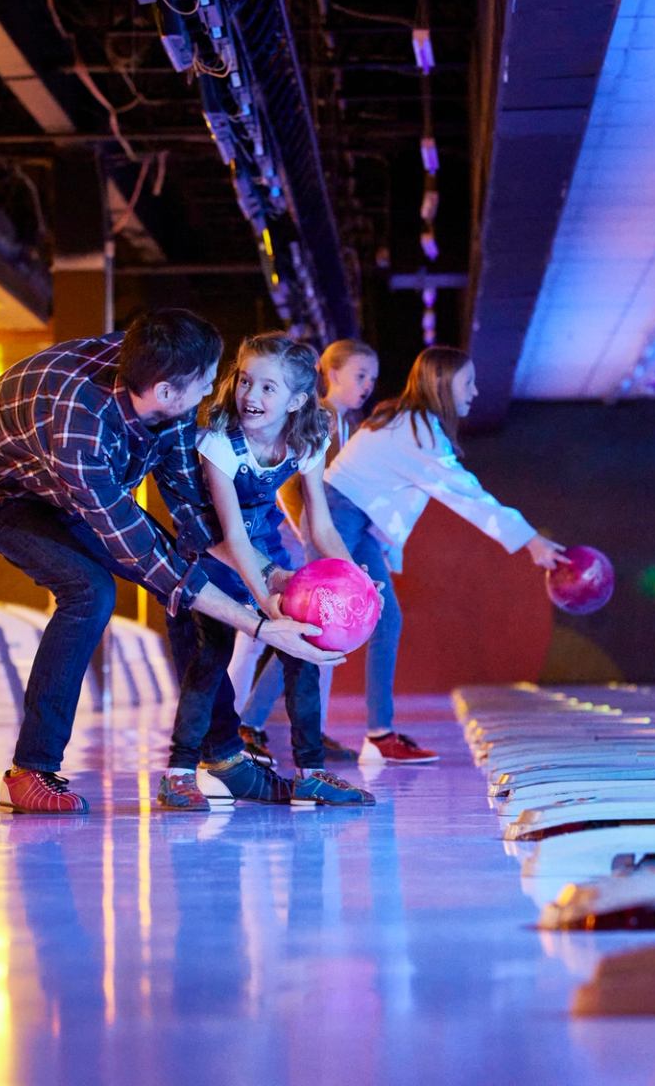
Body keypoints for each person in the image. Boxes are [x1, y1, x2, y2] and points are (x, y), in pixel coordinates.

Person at [0, 310, 340, 814]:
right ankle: (30, 771)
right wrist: (260, 627)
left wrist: (272, 576)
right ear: (167, 392)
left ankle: (222, 757)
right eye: (207, 384)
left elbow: (194, 522)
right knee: (91, 592)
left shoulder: (162, 373)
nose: (214, 395)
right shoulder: (80, 431)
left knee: (185, 588)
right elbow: (152, 563)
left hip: (72, 488)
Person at [156, 334, 374, 811]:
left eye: (268, 388)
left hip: (265, 551)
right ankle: (178, 774)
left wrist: (352, 579)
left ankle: (312, 773)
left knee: (304, 651)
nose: (251, 396)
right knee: (208, 659)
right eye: (245, 381)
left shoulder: (310, 437)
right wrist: (269, 607)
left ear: (297, 400)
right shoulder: (218, 439)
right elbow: (232, 536)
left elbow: (320, 524)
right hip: (209, 555)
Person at [322, 347, 569, 764]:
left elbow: (389, 499)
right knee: (321, 626)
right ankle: (252, 725)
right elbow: (467, 495)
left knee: (382, 621)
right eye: (466, 382)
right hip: (340, 515)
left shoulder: (410, 421)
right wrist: (532, 541)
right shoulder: (417, 428)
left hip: (355, 520)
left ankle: (380, 736)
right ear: (441, 384)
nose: (474, 391)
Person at [230, 338, 378, 767]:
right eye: (360, 374)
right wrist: (311, 548)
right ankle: (236, 728)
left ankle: (299, 728)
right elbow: (297, 496)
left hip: (293, 542)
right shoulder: (322, 421)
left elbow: (326, 506)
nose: (368, 385)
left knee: (313, 637)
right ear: (327, 374)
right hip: (279, 541)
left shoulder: (344, 425)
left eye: (373, 377)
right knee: (253, 637)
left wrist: (352, 574)